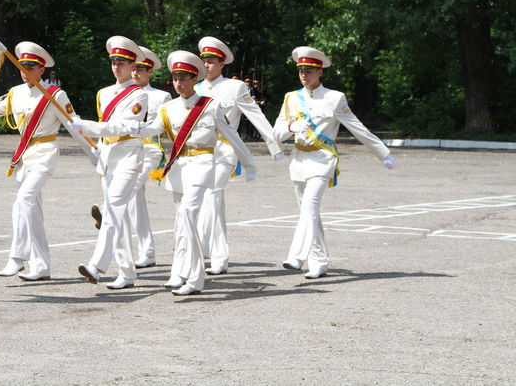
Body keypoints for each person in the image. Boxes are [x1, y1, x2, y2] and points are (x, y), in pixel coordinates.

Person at [134, 51, 257, 295]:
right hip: (179, 167)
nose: (179, 83)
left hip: (202, 163)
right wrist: (118, 127)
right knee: (181, 222)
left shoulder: (210, 106)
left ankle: (194, 278)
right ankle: (178, 272)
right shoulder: (168, 108)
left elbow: (232, 136)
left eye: (185, 78)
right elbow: (149, 130)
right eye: (176, 78)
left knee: (189, 214)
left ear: (195, 79)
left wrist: (250, 163)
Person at [272, 46, 395, 279]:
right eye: (301, 71)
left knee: (310, 204)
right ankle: (319, 261)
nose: (304, 75)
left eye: (309, 71)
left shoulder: (334, 98)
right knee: (309, 211)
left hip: (323, 159)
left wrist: (382, 152)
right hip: (299, 159)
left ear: (320, 72)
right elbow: (276, 133)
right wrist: (289, 127)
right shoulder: (291, 98)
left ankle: (297, 256)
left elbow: (357, 127)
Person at [0, 42, 93, 281]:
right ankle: (41, 267)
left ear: (41, 70)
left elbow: (73, 125)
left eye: (30, 67)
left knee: (23, 200)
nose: (24, 71)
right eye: (22, 66)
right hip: (24, 157)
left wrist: (94, 154)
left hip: (45, 152)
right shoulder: (15, 93)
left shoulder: (55, 95)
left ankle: (17, 257)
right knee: (33, 211)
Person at [195, 37, 283, 275]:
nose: (207, 66)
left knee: (211, 195)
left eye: (211, 62)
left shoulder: (235, 87)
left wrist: (273, 144)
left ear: (222, 63)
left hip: (225, 151)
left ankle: (200, 250)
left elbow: (256, 115)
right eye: (204, 61)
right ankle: (220, 258)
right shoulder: (196, 88)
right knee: (214, 201)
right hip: (200, 153)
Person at [68, 36, 148, 290]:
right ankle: (127, 273)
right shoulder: (103, 93)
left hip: (128, 155)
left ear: (132, 65)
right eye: (114, 61)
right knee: (119, 217)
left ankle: (97, 265)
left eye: (123, 62)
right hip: (108, 157)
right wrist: (96, 150)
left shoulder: (139, 95)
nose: (117, 67)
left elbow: (121, 126)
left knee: (112, 208)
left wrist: (87, 126)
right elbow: (105, 130)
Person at [91, 46, 171, 268]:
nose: (136, 73)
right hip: (123, 149)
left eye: (141, 69)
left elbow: (168, 126)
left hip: (151, 149)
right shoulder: (114, 92)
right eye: (134, 69)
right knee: (135, 202)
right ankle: (146, 252)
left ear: (149, 71)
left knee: (129, 189)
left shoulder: (161, 96)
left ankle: (106, 213)